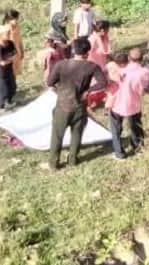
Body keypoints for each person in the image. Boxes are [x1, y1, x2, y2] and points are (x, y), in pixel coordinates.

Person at [43, 38, 108, 170]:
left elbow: (50, 82)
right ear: (87, 52)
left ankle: (53, 164)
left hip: (63, 104)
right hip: (80, 105)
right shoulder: (91, 66)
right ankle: (72, 160)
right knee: (77, 133)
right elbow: (103, 83)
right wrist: (88, 91)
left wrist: (59, 88)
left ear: (73, 50)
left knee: (57, 135)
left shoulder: (61, 65)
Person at [109, 48, 149, 161]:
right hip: (134, 103)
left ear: (129, 58)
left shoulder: (120, 71)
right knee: (136, 126)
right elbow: (143, 89)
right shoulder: (145, 72)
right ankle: (138, 147)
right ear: (142, 59)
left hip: (117, 103)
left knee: (116, 128)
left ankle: (119, 153)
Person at [0, 26, 18, 114]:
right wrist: (11, 59)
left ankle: (9, 102)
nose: (9, 35)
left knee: (13, 86)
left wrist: (9, 59)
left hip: (10, 69)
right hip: (1, 72)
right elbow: (2, 62)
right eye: (7, 34)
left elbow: (15, 54)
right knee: (3, 89)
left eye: (8, 33)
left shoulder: (10, 43)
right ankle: (1, 107)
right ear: (0, 35)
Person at [3, 9, 25, 77]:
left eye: (16, 18)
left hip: (16, 52)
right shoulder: (6, 29)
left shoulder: (17, 27)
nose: (15, 21)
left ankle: (13, 85)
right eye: (12, 19)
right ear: (8, 20)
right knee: (9, 72)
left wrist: (22, 50)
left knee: (15, 72)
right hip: (9, 54)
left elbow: (19, 40)